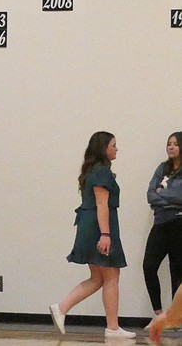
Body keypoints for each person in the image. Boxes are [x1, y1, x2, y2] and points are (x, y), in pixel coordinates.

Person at [50, 131, 134, 339]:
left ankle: (61, 308)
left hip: (91, 224)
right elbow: (101, 204)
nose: (117, 148)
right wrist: (105, 234)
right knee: (111, 275)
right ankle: (112, 328)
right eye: (114, 145)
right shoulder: (101, 172)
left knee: (98, 277)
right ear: (103, 148)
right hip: (99, 226)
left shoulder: (95, 171)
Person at [145, 132, 182, 318]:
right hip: (160, 223)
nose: (171, 147)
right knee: (149, 266)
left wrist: (163, 195)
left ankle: (176, 317)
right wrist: (167, 198)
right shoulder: (162, 168)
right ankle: (159, 314)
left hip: (178, 223)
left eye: (175, 144)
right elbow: (150, 194)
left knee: (176, 271)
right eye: (169, 143)